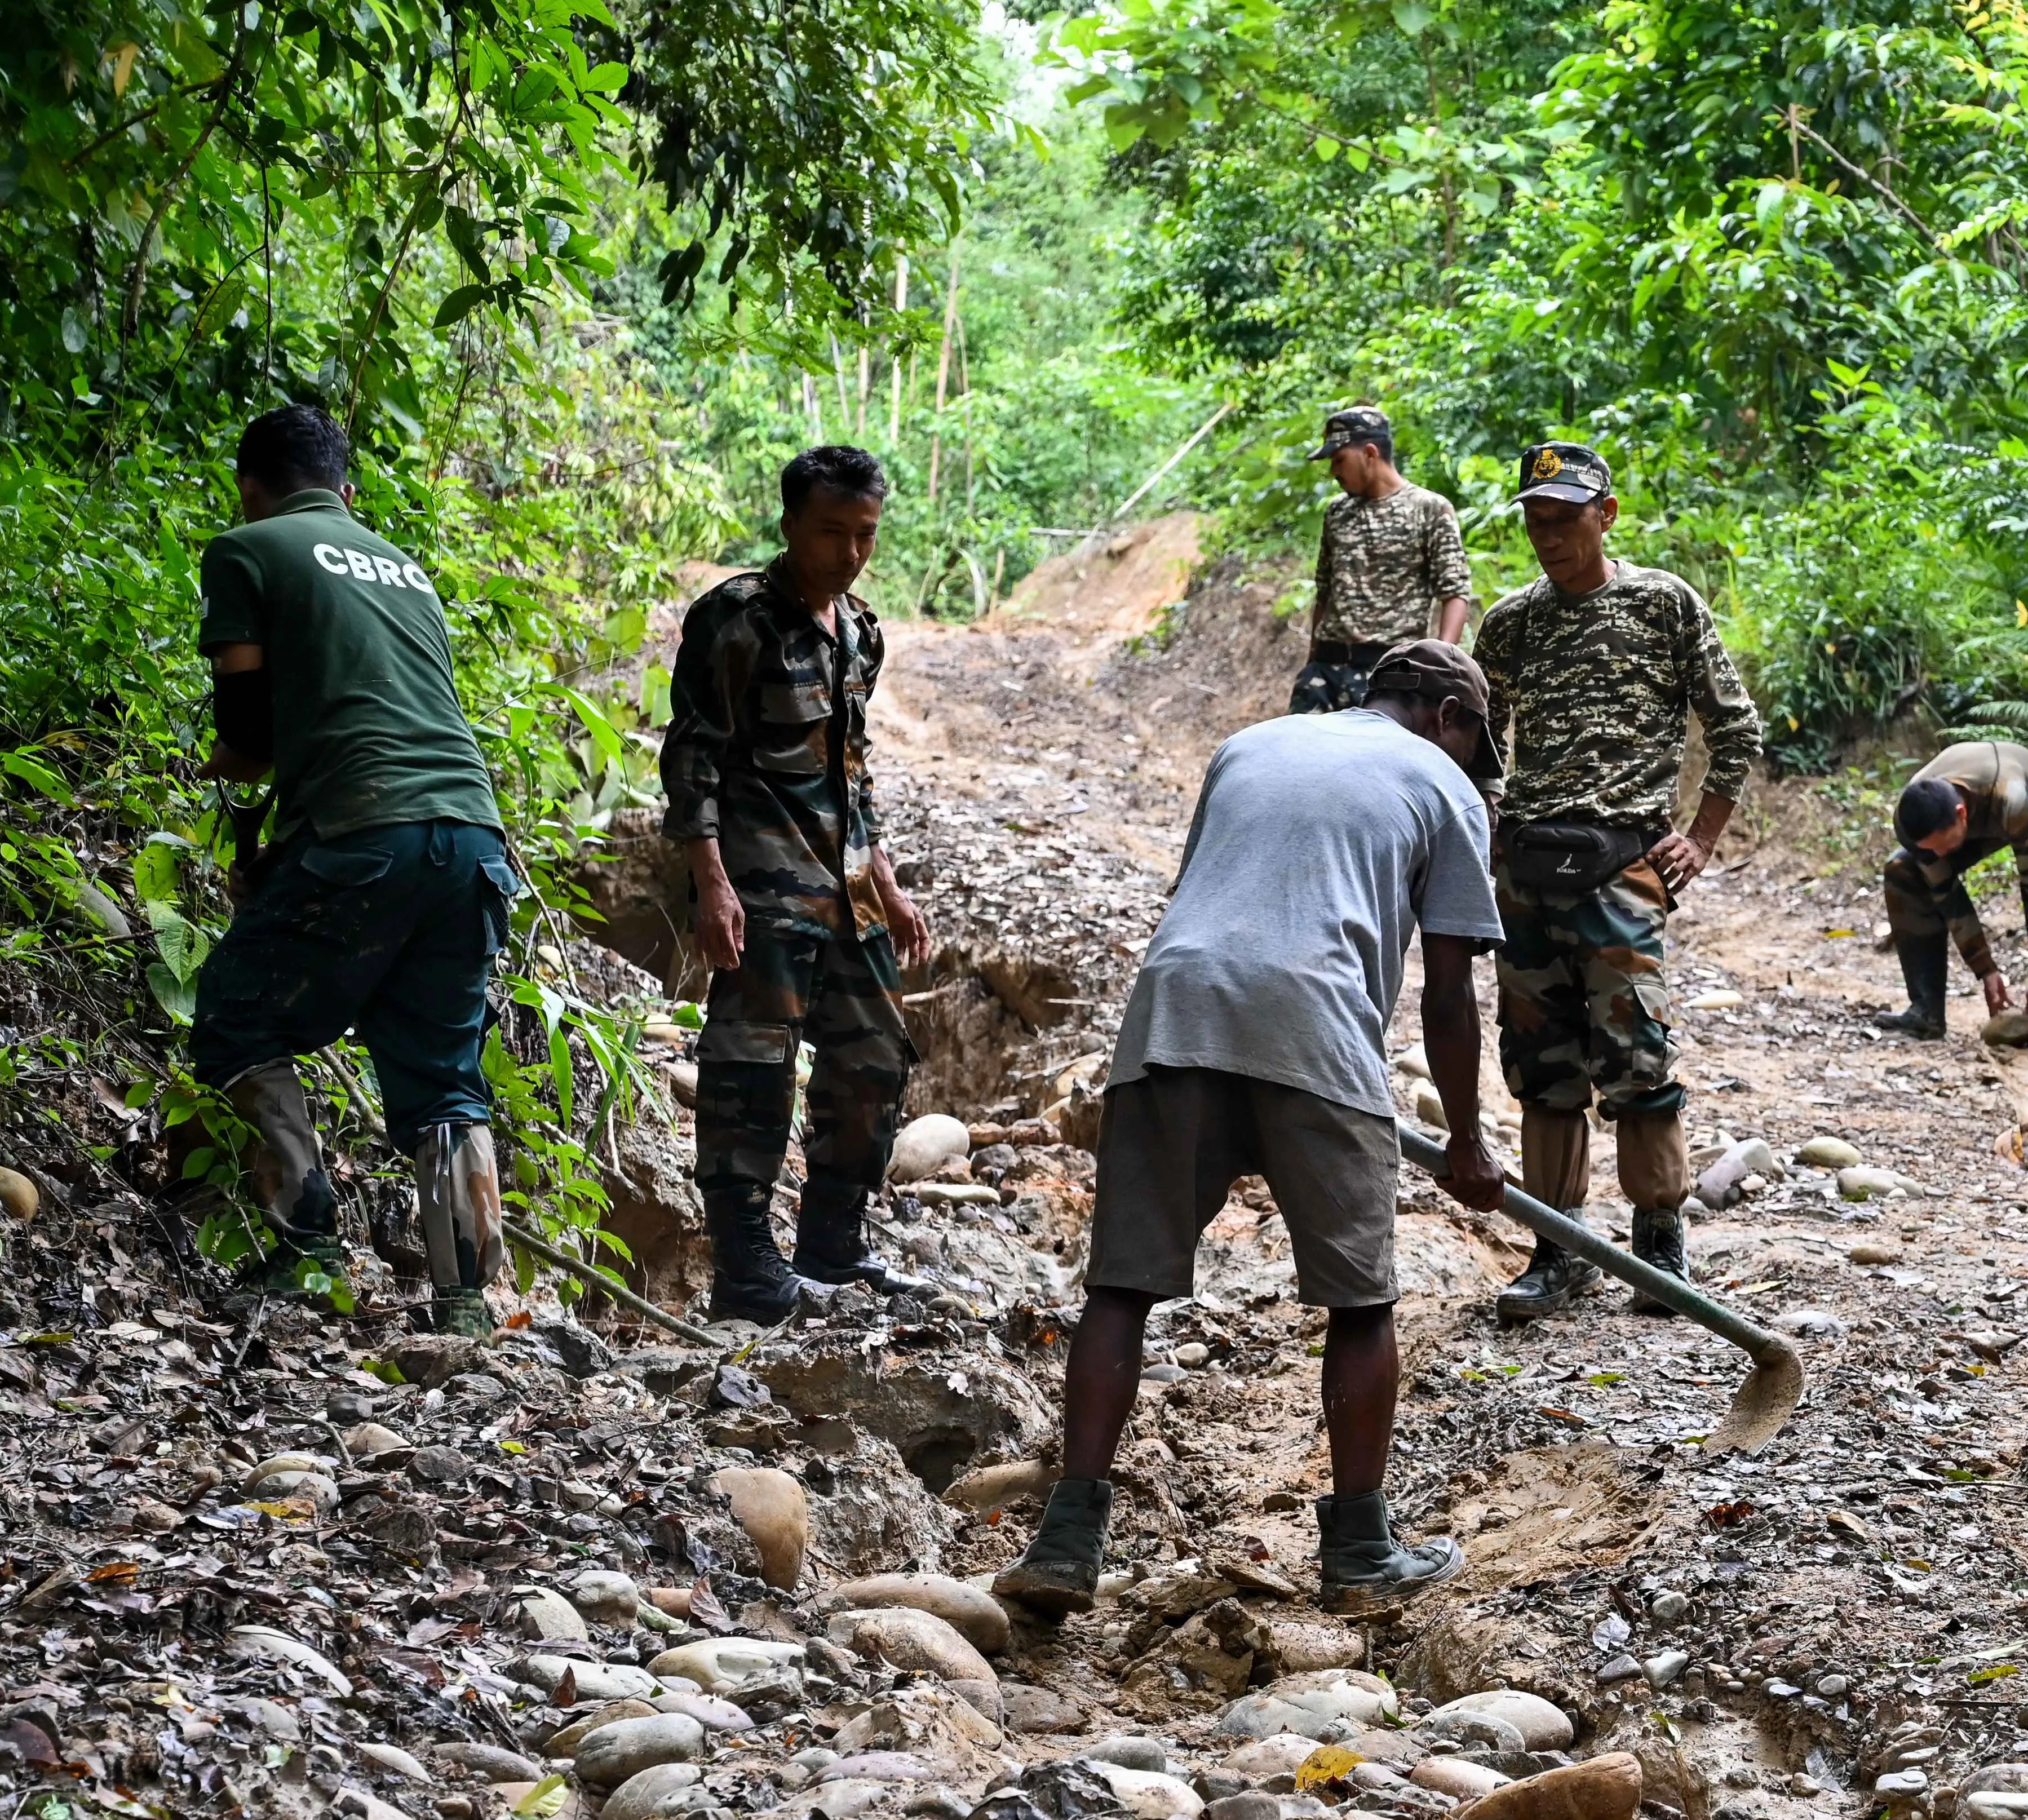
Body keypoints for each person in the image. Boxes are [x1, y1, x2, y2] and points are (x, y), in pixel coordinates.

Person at [998, 641, 1511, 1618]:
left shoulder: (1249, 743)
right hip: (1313, 1020)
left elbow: (1220, 900)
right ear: (1450, 717)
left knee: (1121, 1285)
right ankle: (1359, 1547)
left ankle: (1066, 1537)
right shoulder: (1447, 784)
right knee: (1361, 1301)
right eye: (1474, 742)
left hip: (1174, 1007)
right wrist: (1466, 1140)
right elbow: (1449, 995)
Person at [190, 402, 517, 1334]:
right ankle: (463, 1308)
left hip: (367, 832)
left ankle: (309, 1249)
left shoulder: (247, 549)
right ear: (346, 489)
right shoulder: (406, 570)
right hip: (472, 837)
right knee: (442, 1076)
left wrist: (234, 767)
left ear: (250, 486)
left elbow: (250, 732)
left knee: (232, 1013)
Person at [1470, 442, 1764, 1323]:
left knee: (1637, 1061)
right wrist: (1484, 830)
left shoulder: (1662, 604)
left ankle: (1660, 1249)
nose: (1547, 536)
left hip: (1621, 863)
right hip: (1527, 869)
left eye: (1563, 518)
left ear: (1606, 514)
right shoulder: (1511, 622)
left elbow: (1735, 728)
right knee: (1540, 1069)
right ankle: (1559, 1251)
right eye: (1535, 519)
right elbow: (1480, 743)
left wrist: (1700, 840)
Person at [659, 445, 937, 1322]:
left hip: (847, 893)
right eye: (832, 533)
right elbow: (693, 760)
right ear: (789, 525)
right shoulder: (735, 620)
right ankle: (745, 1271)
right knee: (752, 1075)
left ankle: (835, 1247)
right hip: (763, 888)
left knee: (875, 1061)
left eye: (866, 534)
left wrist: (886, 883)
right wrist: (710, 884)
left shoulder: (862, 629)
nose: (852, 553)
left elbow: (852, 775)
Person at [1880, 738, 2028, 1045]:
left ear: (1961, 813)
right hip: (1980, 823)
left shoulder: (2009, 797)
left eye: (1943, 844)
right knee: (1903, 869)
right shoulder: (1910, 823)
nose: (1939, 854)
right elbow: (1948, 895)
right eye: (1932, 849)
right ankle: (1926, 1010)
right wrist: (1986, 971)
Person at [1290, 405, 1474, 713]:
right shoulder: (1337, 512)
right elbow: (1325, 590)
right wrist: (1312, 661)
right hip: (1326, 670)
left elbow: (1455, 593)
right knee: (1299, 757)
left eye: (1339, 460)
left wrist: (1441, 669)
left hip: (1390, 674)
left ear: (1370, 453)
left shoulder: (1429, 509)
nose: (1334, 471)